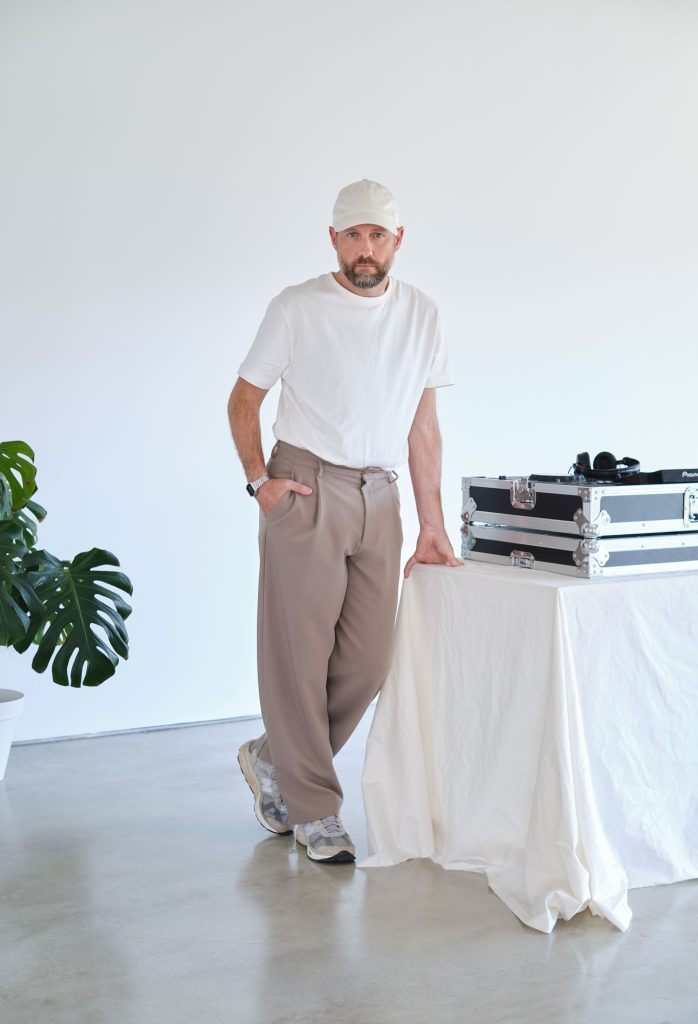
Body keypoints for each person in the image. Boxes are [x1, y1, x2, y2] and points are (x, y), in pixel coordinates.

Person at [228, 178, 462, 864]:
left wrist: (432, 523)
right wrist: (259, 483)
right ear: (334, 239)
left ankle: (272, 757)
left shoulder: (422, 314)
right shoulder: (297, 307)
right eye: (353, 235)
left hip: (380, 495)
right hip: (306, 484)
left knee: (368, 661)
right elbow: (243, 400)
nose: (366, 249)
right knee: (299, 660)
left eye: (377, 236)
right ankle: (316, 811)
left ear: (398, 240)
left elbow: (424, 427)